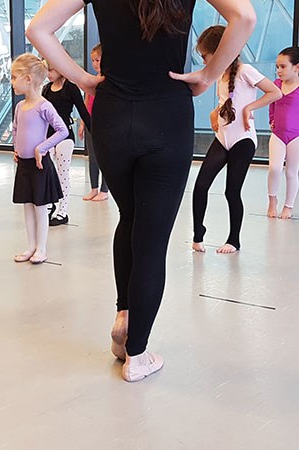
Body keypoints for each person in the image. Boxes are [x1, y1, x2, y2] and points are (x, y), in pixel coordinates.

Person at [27, 0, 256, 381]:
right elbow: (244, 16)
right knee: (152, 239)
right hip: (167, 114)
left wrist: (83, 78)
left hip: (113, 115)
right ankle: (138, 354)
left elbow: (37, 29)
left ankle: (124, 313)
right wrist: (208, 74)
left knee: (130, 217)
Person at [192, 25, 281, 253]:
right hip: (222, 137)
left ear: (219, 51)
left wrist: (250, 107)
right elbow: (226, 102)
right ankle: (198, 235)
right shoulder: (219, 75)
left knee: (231, 191)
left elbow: (275, 92)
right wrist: (214, 113)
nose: (203, 61)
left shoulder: (245, 70)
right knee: (200, 186)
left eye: (204, 55)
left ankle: (234, 240)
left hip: (243, 139)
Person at [11, 54, 68, 263]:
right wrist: (16, 149)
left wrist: (42, 148)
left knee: (40, 207)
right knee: (27, 205)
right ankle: (31, 246)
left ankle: (41, 248)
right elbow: (16, 129)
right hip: (24, 164)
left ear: (28, 79)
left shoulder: (44, 105)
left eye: (14, 77)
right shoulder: (20, 106)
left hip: (39, 164)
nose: (12, 82)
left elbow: (62, 130)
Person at [42, 60, 91, 226]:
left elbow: (83, 111)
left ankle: (63, 211)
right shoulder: (46, 89)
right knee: (47, 172)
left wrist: (94, 132)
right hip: (48, 137)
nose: (48, 74)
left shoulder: (71, 88)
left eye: (51, 70)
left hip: (65, 136)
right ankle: (50, 205)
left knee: (62, 173)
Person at [267, 47, 299, 219]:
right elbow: (271, 104)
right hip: (278, 133)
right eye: (277, 67)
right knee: (274, 168)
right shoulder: (276, 85)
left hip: (296, 136)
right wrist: (271, 119)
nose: (278, 70)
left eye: (283, 66)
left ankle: (288, 206)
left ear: (296, 67)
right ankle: (272, 201)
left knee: (291, 172)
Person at [79, 43, 109, 202]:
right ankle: (93, 188)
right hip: (91, 122)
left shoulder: (108, 81)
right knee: (93, 157)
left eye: (97, 60)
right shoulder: (92, 80)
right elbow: (87, 101)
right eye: (93, 61)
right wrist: (82, 123)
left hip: (104, 123)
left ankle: (104, 190)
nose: (95, 64)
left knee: (105, 157)